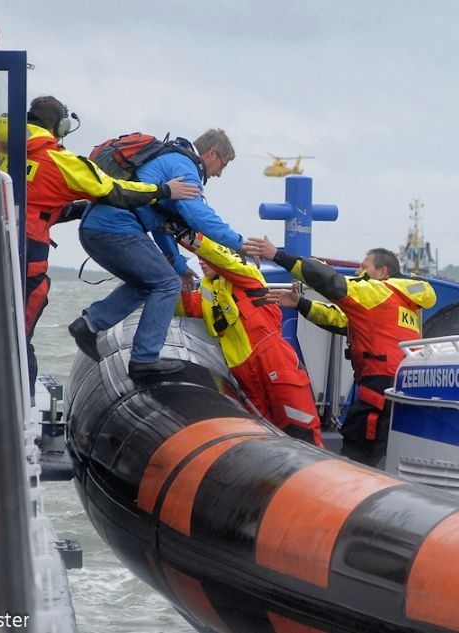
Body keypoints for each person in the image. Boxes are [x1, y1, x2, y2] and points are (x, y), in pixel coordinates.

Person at [16, 96, 198, 401]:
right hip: (29, 253)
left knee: (4, 334)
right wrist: (163, 191)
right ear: (60, 126)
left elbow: (36, 203)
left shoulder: (1, 151)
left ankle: (90, 325)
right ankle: (22, 406)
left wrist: (80, 208)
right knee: (21, 336)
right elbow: (115, 190)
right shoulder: (58, 160)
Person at [243, 236, 437, 467]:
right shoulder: (403, 301)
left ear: (383, 271)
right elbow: (339, 320)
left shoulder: (376, 292)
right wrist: (300, 304)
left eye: (364, 267)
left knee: (358, 449)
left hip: (378, 389)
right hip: (402, 385)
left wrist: (277, 256)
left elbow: (330, 282)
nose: (358, 272)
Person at [70, 128, 245, 379]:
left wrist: (180, 266)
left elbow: (162, 225)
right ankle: (144, 360)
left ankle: (88, 325)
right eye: (222, 165)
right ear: (212, 153)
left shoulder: (170, 159)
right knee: (166, 284)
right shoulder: (185, 166)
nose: (219, 173)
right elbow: (197, 215)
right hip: (116, 228)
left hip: (96, 228)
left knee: (149, 283)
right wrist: (239, 243)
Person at [175, 233, 322, 445]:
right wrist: (168, 274)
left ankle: (315, 465)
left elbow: (219, 259)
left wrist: (185, 234)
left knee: (299, 422)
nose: (201, 260)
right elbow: (181, 306)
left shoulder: (246, 276)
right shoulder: (206, 293)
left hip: (272, 359)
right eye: (199, 259)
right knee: (260, 433)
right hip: (241, 373)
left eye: (205, 257)